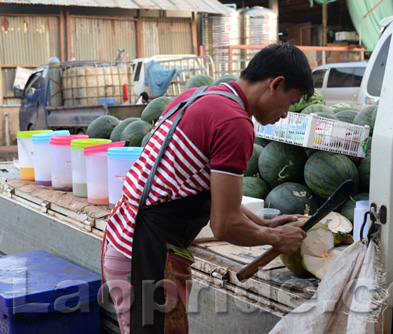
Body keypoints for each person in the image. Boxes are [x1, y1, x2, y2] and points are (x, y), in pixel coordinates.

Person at [102, 42, 314, 334]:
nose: (286, 114)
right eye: (290, 102)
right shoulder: (235, 123)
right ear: (275, 85)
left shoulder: (200, 95)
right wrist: (275, 238)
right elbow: (224, 225)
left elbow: (201, 187)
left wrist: (261, 223)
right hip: (145, 257)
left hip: (122, 241)